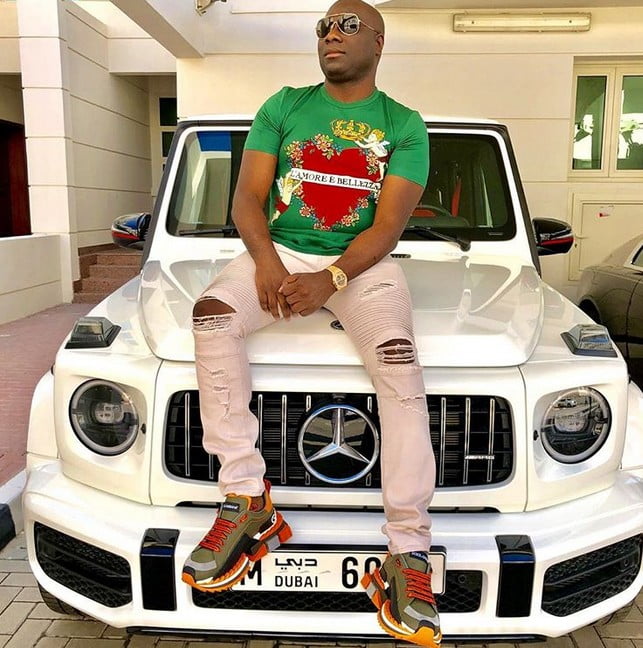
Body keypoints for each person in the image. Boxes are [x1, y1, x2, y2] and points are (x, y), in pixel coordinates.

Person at [181, 1, 441, 645]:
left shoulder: (404, 125)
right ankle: (247, 497)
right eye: (323, 26)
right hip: (281, 251)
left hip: (362, 266)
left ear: (378, 42)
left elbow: (387, 227)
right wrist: (268, 265)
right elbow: (247, 198)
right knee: (211, 316)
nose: (331, 34)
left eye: (347, 25)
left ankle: (408, 550)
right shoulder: (284, 106)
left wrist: (331, 280)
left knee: (401, 370)